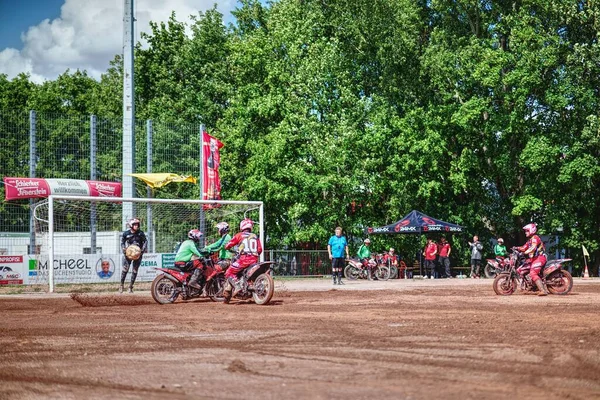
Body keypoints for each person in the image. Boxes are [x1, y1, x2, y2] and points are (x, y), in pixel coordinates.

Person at [223, 218, 263, 301]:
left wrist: (226, 246)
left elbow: (229, 244)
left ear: (242, 226)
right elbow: (260, 249)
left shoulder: (239, 235)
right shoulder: (255, 236)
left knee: (229, 272)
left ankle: (237, 286)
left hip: (243, 259)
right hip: (254, 260)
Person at [515, 223, 548, 296]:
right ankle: (532, 286)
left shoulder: (535, 238)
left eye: (527, 231)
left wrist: (526, 252)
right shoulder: (530, 240)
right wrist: (517, 248)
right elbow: (524, 247)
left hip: (540, 258)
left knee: (533, 273)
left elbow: (533, 247)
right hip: (534, 258)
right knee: (524, 267)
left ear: (531, 230)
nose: (525, 232)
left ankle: (543, 290)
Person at [120, 218, 147, 293]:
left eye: (137, 224)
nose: (136, 226)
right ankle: (121, 285)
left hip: (138, 255)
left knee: (135, 270)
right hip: (128, 254)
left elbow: (145, 241)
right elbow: (122, 242)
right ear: (131, 225)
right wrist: (123, 248)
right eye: (135, 224)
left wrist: (143, 250)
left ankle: (130, 287)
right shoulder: (126, 233)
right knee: (125, 269)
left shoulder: (141, 233)